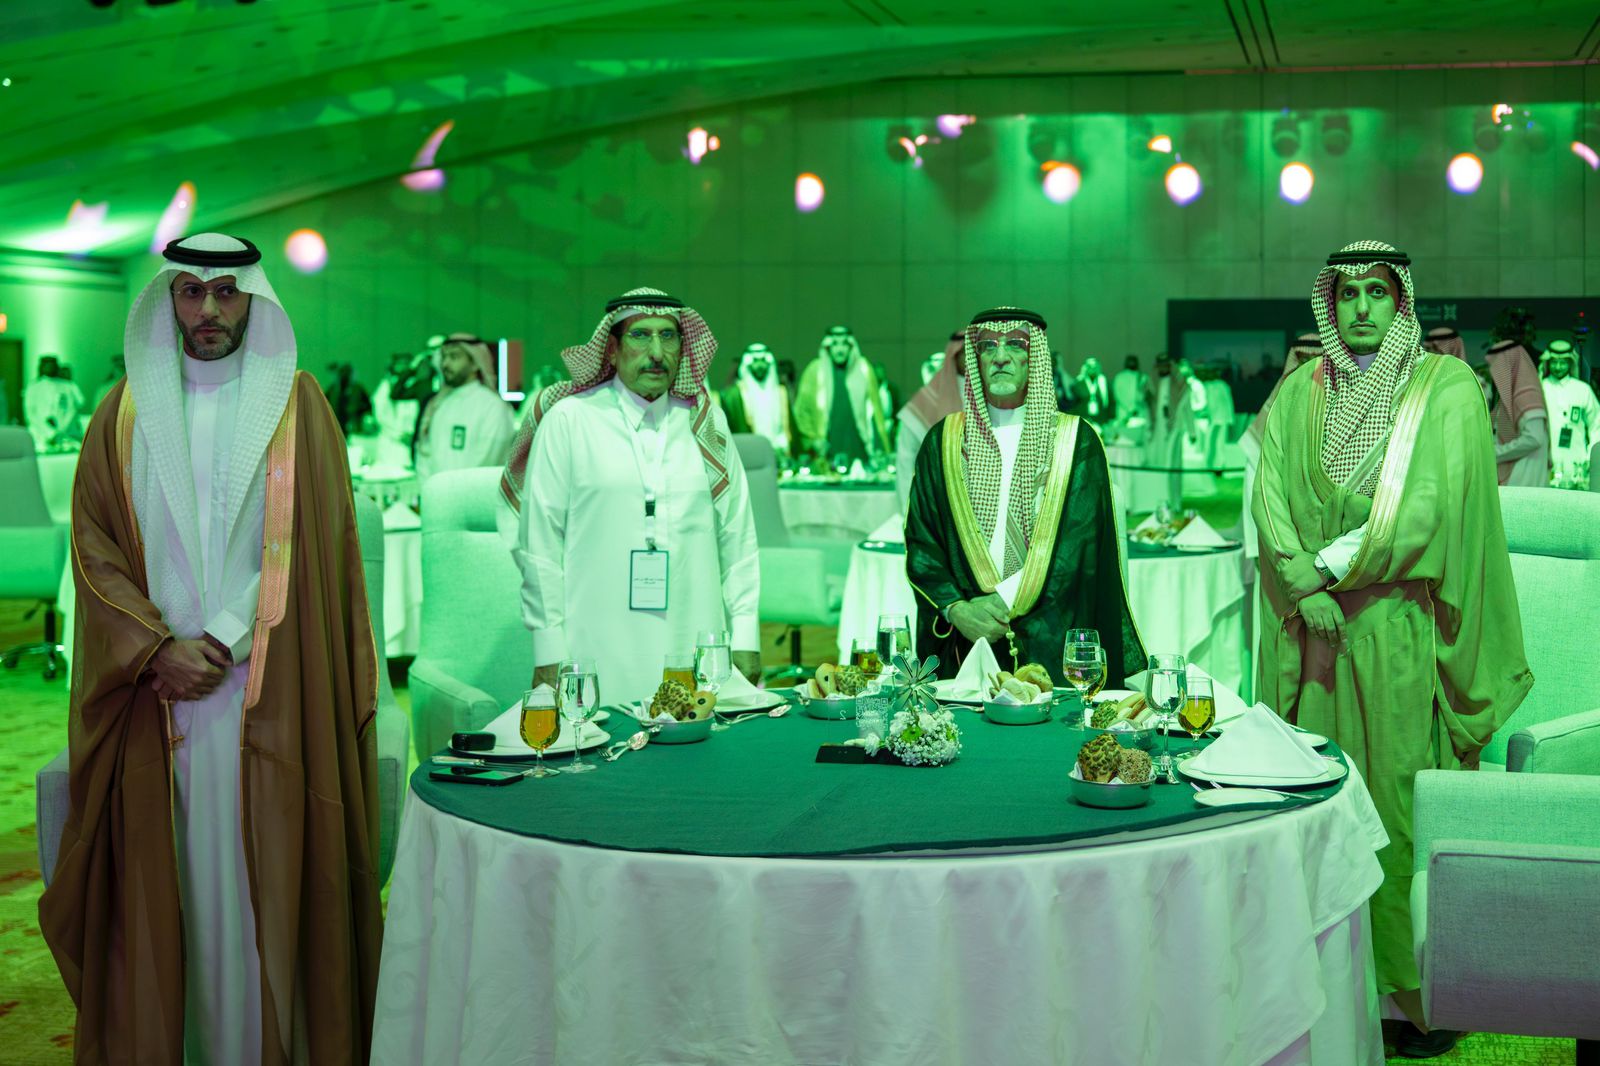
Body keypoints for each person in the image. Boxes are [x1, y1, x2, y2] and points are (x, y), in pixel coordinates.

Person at [38, 233, 382, 1064]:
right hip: (153, 692)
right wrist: (156, 648)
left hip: (271, 684)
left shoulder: (300, 408)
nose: (209, 309)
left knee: (265, 871)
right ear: (167, 300)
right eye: (190, 291)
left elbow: (315, 548)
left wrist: (222, 639)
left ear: (253, 300)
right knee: (171, 883)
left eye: (226, 291)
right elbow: (94, 551)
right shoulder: (120, 414)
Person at [1253, 240, 1530, 1058]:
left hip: (1398, 636)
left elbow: (1430, 508)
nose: (1362, 308)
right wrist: (1302, 586)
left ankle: (1412, 998)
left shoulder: (1444, 387)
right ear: (1329, 304)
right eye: (1348, 294)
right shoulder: (1301, 388)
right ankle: (1328, 990)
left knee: (1397, 811)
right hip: (1316, 641)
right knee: (1317, 806)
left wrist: (1326, 570)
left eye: (1378, 292)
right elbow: (1269, 489)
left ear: (1401, 301)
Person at [506, 287, 761, 705]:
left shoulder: (705, 422)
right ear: (611, 349)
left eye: (668, 336)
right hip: (595, 643)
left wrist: (747, 634)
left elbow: (738, 535)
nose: (656, 352)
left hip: (695, 637)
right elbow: (540, 545)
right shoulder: (570, 420)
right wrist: (547, 647)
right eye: (641, 335)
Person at [903, 306, 1144, 686]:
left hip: (1052, 642)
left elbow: (1077, 548)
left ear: (1036, 358)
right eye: (988, 346)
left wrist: (1004, 600)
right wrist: (957, 610)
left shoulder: (1075, 442)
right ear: (975, 359)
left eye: (1016, 345)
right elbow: (923, 543)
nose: (1000, 357)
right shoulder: (942, 442)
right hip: (967, 643)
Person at [414, 332, 515, 486]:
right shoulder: (438, 405)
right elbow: (424, 454)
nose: (445, 364)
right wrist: (429, 492)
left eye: (454, 357)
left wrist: (452, 496)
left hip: (473, 498)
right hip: (434, 498)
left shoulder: (493, 407)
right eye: (444, 357)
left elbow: (486, 464)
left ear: (475, 363)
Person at [793, 325, 890, 467]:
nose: (840, 350)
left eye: (844, 344)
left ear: (851, 346)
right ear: (828, 347)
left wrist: (879, 447)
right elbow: (802, 412)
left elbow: (875, 412)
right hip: (826, 451)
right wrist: (812, 440)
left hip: (859, 449)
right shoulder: (814, 370)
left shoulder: (864, 369)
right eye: (835, 344)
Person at [895, 332, 966, 510]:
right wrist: (907, 509)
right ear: (954, 354)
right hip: (935, 501)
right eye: (964, 351)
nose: (969, 357)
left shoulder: (992, 396)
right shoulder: (928, 399)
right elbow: (906, 459)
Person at [1478, 339, 1549, 486]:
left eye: (1497, 366)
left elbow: (1534, 438)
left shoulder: (1527, 394)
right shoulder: (1509, 395)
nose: (1493, 371)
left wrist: (1495, 453)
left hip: (1525, 476)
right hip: (1516, 474)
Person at [1145, 353, 1199, 511]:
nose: (1162, 368)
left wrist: (1192, 432)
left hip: (1175, 430)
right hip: (1157, 432)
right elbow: (1147, 408)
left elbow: (1188, 409)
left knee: (1172, 466)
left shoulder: (1180, 385)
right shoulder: (1152, 383)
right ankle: (1159, 501)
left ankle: (1174, 502)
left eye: (1165, 364)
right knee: (1158, 465)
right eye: (1160, 365)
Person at [1541, 338, 1599, 484]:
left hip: (1577, 464)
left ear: (1570, 363)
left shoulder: (1583, 390)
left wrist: (1590, 457)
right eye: (1554, 362)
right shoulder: (1539, 388)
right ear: (1548, 363)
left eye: (1563, 362)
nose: (1558, 367)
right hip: (1545, 464)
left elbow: (1597, 426)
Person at [719, 342, 794, 456]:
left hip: (779, 452)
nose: (759, 365)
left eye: (763, 361)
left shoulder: (781, 393)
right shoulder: (733, 396)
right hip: (748, 454)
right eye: (755, 361)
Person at [24, 355, 82, 451]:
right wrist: (50, 432)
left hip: (64, 435)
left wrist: (60, 430)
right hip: (40, 436)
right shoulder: (33, 387)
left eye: (52, 365)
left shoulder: (67, 386)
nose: (50, 367)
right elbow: (30, 414)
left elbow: (72, 410)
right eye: (47, 365)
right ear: (42, 367)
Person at [325, 361, 373, 437]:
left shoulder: (358, 389)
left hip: (354, 429)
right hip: (336, 428)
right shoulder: (333, 390)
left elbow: (368, 406)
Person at [1110, 354, 1149, 429]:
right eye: (1130, 361)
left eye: (1133, 361)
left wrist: (1134, 408)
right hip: (1124, 414)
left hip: (1138, 413)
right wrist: (1130, 408)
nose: (1132, 363)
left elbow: (1144, 395)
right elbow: (1117, 395)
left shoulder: (1142, 377)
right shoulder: (1119, 377)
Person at [1076, 356, 1112, 423]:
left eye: (1094, 366)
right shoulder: (1079, 383)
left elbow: (1110, 402)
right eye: (1090, 366)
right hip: (1084, 418)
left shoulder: (1103, 383)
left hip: (1100, 419)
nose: (1092, 368)